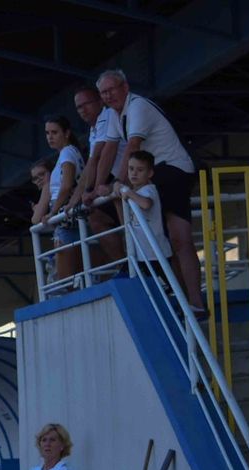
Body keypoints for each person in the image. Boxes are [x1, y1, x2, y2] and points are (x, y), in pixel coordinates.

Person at [97, 69, 202, 311]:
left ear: (125, 87)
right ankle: (177, 293)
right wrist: (97, 188)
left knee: (178, 239)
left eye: (111, 89)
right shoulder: (114, 113)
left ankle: (194, 300)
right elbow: (110, 149)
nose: (108, 95)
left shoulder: (138, 107)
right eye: (103, 92)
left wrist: (118, 183)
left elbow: (132, 145)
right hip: (155, 173)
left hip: (173, 170)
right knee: (164, 239)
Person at [67, 85, 124, 266]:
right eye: (78, 107)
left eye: (87, 104)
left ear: (100, 102)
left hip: (129, 180)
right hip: (117, 182)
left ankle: (135, 266)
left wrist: (89, 192)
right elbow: (92, 164)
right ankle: (126, 266)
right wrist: (72, 202)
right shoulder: (94, 129)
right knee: (96, 218)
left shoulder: (107, 116)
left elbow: (98, 158)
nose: (83, 110)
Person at [38, 115, 85, 281]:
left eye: (54, 132)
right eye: (47, 133)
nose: (50, 137)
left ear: (66, 133)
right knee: (73, 269)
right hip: (66, 214)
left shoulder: (67, 153)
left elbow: (66, 186)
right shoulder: (68, 153)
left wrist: (53, 212)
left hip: (65, 216)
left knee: (65, 275)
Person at [115, 150, 174, 276]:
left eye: (140, 170)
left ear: (150, 173)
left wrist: (128, 192)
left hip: (156, 253)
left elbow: (146, 204)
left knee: (164, 288)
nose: (134, 173)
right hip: (142, 253)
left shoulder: (149, 190)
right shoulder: (134, 193)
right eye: (131, 169)